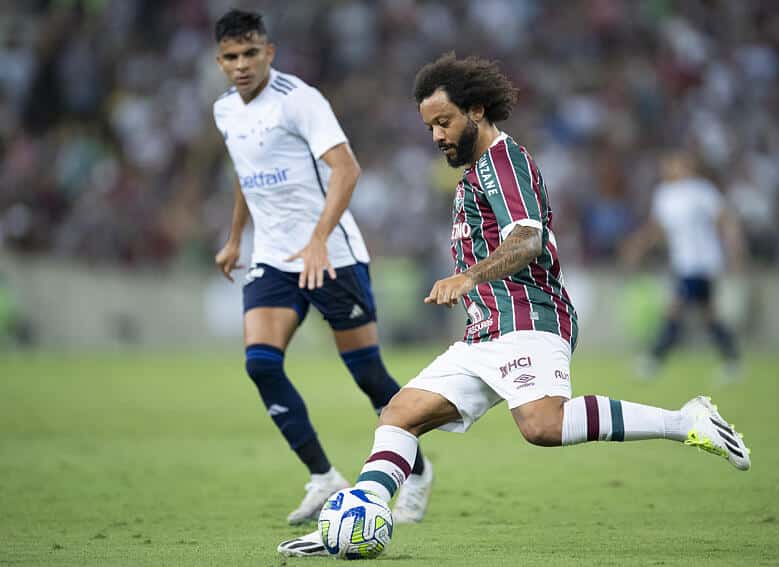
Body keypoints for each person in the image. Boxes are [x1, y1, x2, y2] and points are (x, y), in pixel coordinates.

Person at [278, 53, 751, 557]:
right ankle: (351, 521)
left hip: (528, 317)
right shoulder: (476, 172)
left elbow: (527, 239)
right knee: (400, 414)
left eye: (444, 122)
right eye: (430, 127)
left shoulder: (504, 163)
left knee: (543, 425)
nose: (437, 136)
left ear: (476, 110)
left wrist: (468, 276)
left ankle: (685, 421)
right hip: (486, 330)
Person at [211, 9, 433, 528]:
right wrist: (235, 237)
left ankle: (418, 472)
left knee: (368, 376)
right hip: (274, 259)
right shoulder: (225, 111)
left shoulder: (299, 100)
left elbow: (347, 169)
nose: (241, 65)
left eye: (250, 53)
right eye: (230, 57)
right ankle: (324, 477)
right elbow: (246, 173)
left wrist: (316, 241)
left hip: (332, 257)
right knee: (261, 364)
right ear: (219, 61)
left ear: (269, 52)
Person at [621, 151, 744, 380]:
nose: (670, 168)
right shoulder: (664, 194)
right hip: (683, 262)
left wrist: (734, 246)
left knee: (675, 309)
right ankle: (732, 360)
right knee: (709, 314)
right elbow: (657, 228)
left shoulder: (701, 191)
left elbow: (724, 218)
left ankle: (654, 360)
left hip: (702, 262)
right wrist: (638, 244)